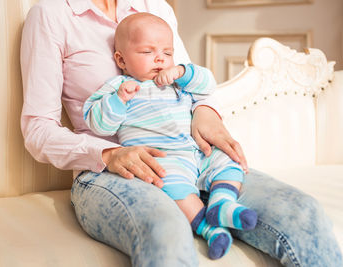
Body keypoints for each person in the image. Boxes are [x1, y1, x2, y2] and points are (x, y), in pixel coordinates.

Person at [20, 0, 343, 266]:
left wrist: (207, 113)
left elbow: (194, 85)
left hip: (189, 152)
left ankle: (221, 204)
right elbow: (38, 127)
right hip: (110, 170)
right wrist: (108, 153)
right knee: (167, 229)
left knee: (303, 211)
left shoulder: (155, 7)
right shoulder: (52, 14)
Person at [83, 13, 257, 260]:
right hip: (164, 158)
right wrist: (119, 99)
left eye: (167, 52)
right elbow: (97, 123)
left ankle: (221, 203)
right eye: (147, 52)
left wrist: (182, 72)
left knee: (229, 160)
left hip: (197, 151)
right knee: (172, 188)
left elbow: (207, 84)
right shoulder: (118, 86)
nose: (160, 59)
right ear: (121, 59)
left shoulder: (178, 81)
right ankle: (209, 230)